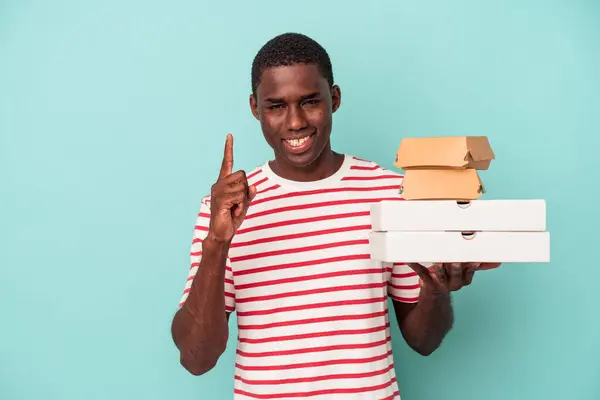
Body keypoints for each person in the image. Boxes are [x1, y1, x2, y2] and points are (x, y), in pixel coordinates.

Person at [171, 32, 500, 399]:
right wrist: (217, 244)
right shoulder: (222, 211)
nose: (295, 122)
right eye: (276, 106)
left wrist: (436, 292)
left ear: (335, 99)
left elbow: (423, 342)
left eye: (309, 101)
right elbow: (196, 358)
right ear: (255, 107)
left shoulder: (390, 194)